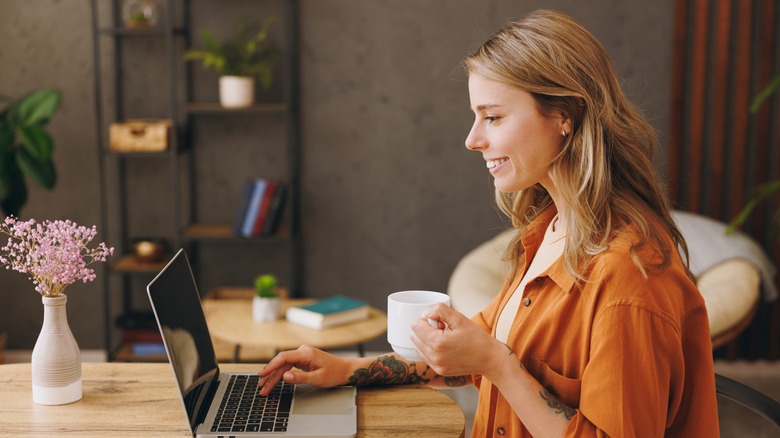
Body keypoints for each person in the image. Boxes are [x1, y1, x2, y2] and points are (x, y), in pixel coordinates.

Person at [258, 9, 719, 437]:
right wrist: (346, 370)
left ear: (565, 116)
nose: (473, 140)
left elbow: (493, 358)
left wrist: (498, 365)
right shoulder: (551, 230)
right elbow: (474, 351)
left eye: (493, 117)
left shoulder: (628, 277)